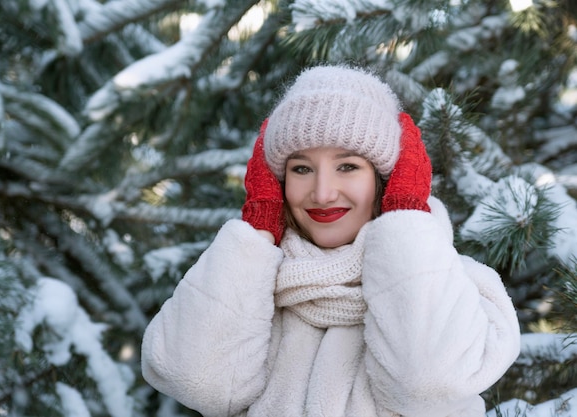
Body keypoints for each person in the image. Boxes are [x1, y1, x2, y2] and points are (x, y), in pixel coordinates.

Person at [141, 65, 521, 417]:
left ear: (386, 179)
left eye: (348, 166)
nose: (322, 193)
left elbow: (428, 385)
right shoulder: (248, 285)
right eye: (301, 169)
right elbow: (197, 382)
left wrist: (406, 214)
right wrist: (258, 230)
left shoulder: (461, 289)